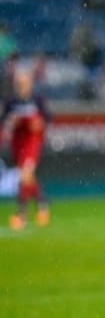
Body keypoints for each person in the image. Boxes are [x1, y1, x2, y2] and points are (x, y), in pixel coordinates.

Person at [3, 69, 51, 231]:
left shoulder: (37, 99)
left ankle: (20, 215)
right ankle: (42, 203)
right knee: (27, 177)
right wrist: (12, 122)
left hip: (32, 142)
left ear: (29, 84)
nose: (21, 87)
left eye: (23, 83)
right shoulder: (11, 102)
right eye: (18, 84)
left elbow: (47, 118)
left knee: (24, 175)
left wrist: (39, 124)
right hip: (17, 142)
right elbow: (4, 121)